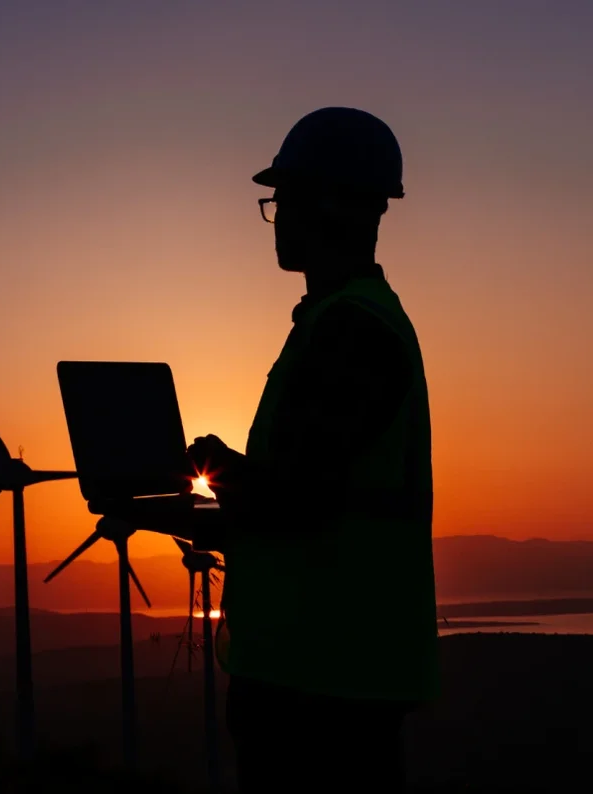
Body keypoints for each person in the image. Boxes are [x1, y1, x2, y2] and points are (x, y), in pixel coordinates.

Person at [186, 107, 440, 792]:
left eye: (286, 199)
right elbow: (317, 489)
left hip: (321, 679)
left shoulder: (350, 331)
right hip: (333, 670)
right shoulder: (345, 320)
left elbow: (293, 502)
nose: (280, 217)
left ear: (335, 202)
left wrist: (193, 490)